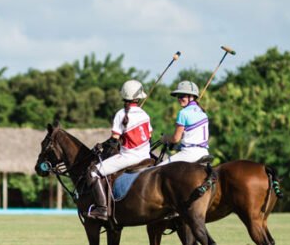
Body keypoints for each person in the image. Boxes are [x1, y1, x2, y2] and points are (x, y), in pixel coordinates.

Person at [85, 79, 153, 220]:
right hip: (146, 156)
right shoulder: (145, 115)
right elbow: (149, 136)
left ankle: (102, 209)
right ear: (139, 98)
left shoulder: (121, 114)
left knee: (93, 172)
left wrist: (101, 145)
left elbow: (114, 140)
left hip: (129, 157)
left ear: (124, 96)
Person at [159, 80, 209, 163]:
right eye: (178, 96)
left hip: (189, 154)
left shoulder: (183, 113)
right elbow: (192, 137)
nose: (179, 99)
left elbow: (175, 139)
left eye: (182, 96)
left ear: (192, 96)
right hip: (204, 153)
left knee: (157, 170)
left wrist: (165, 138)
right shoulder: (203, 113)